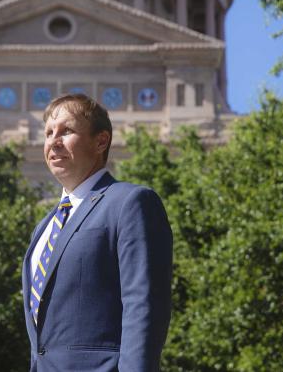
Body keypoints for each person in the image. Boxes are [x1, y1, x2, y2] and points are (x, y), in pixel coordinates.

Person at [22, 94, 173, 372]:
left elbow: (143, 305)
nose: (53, 142)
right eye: (48, 133)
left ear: (100, 141)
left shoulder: (130, 203)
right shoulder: (42, 229)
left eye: (66, 131)